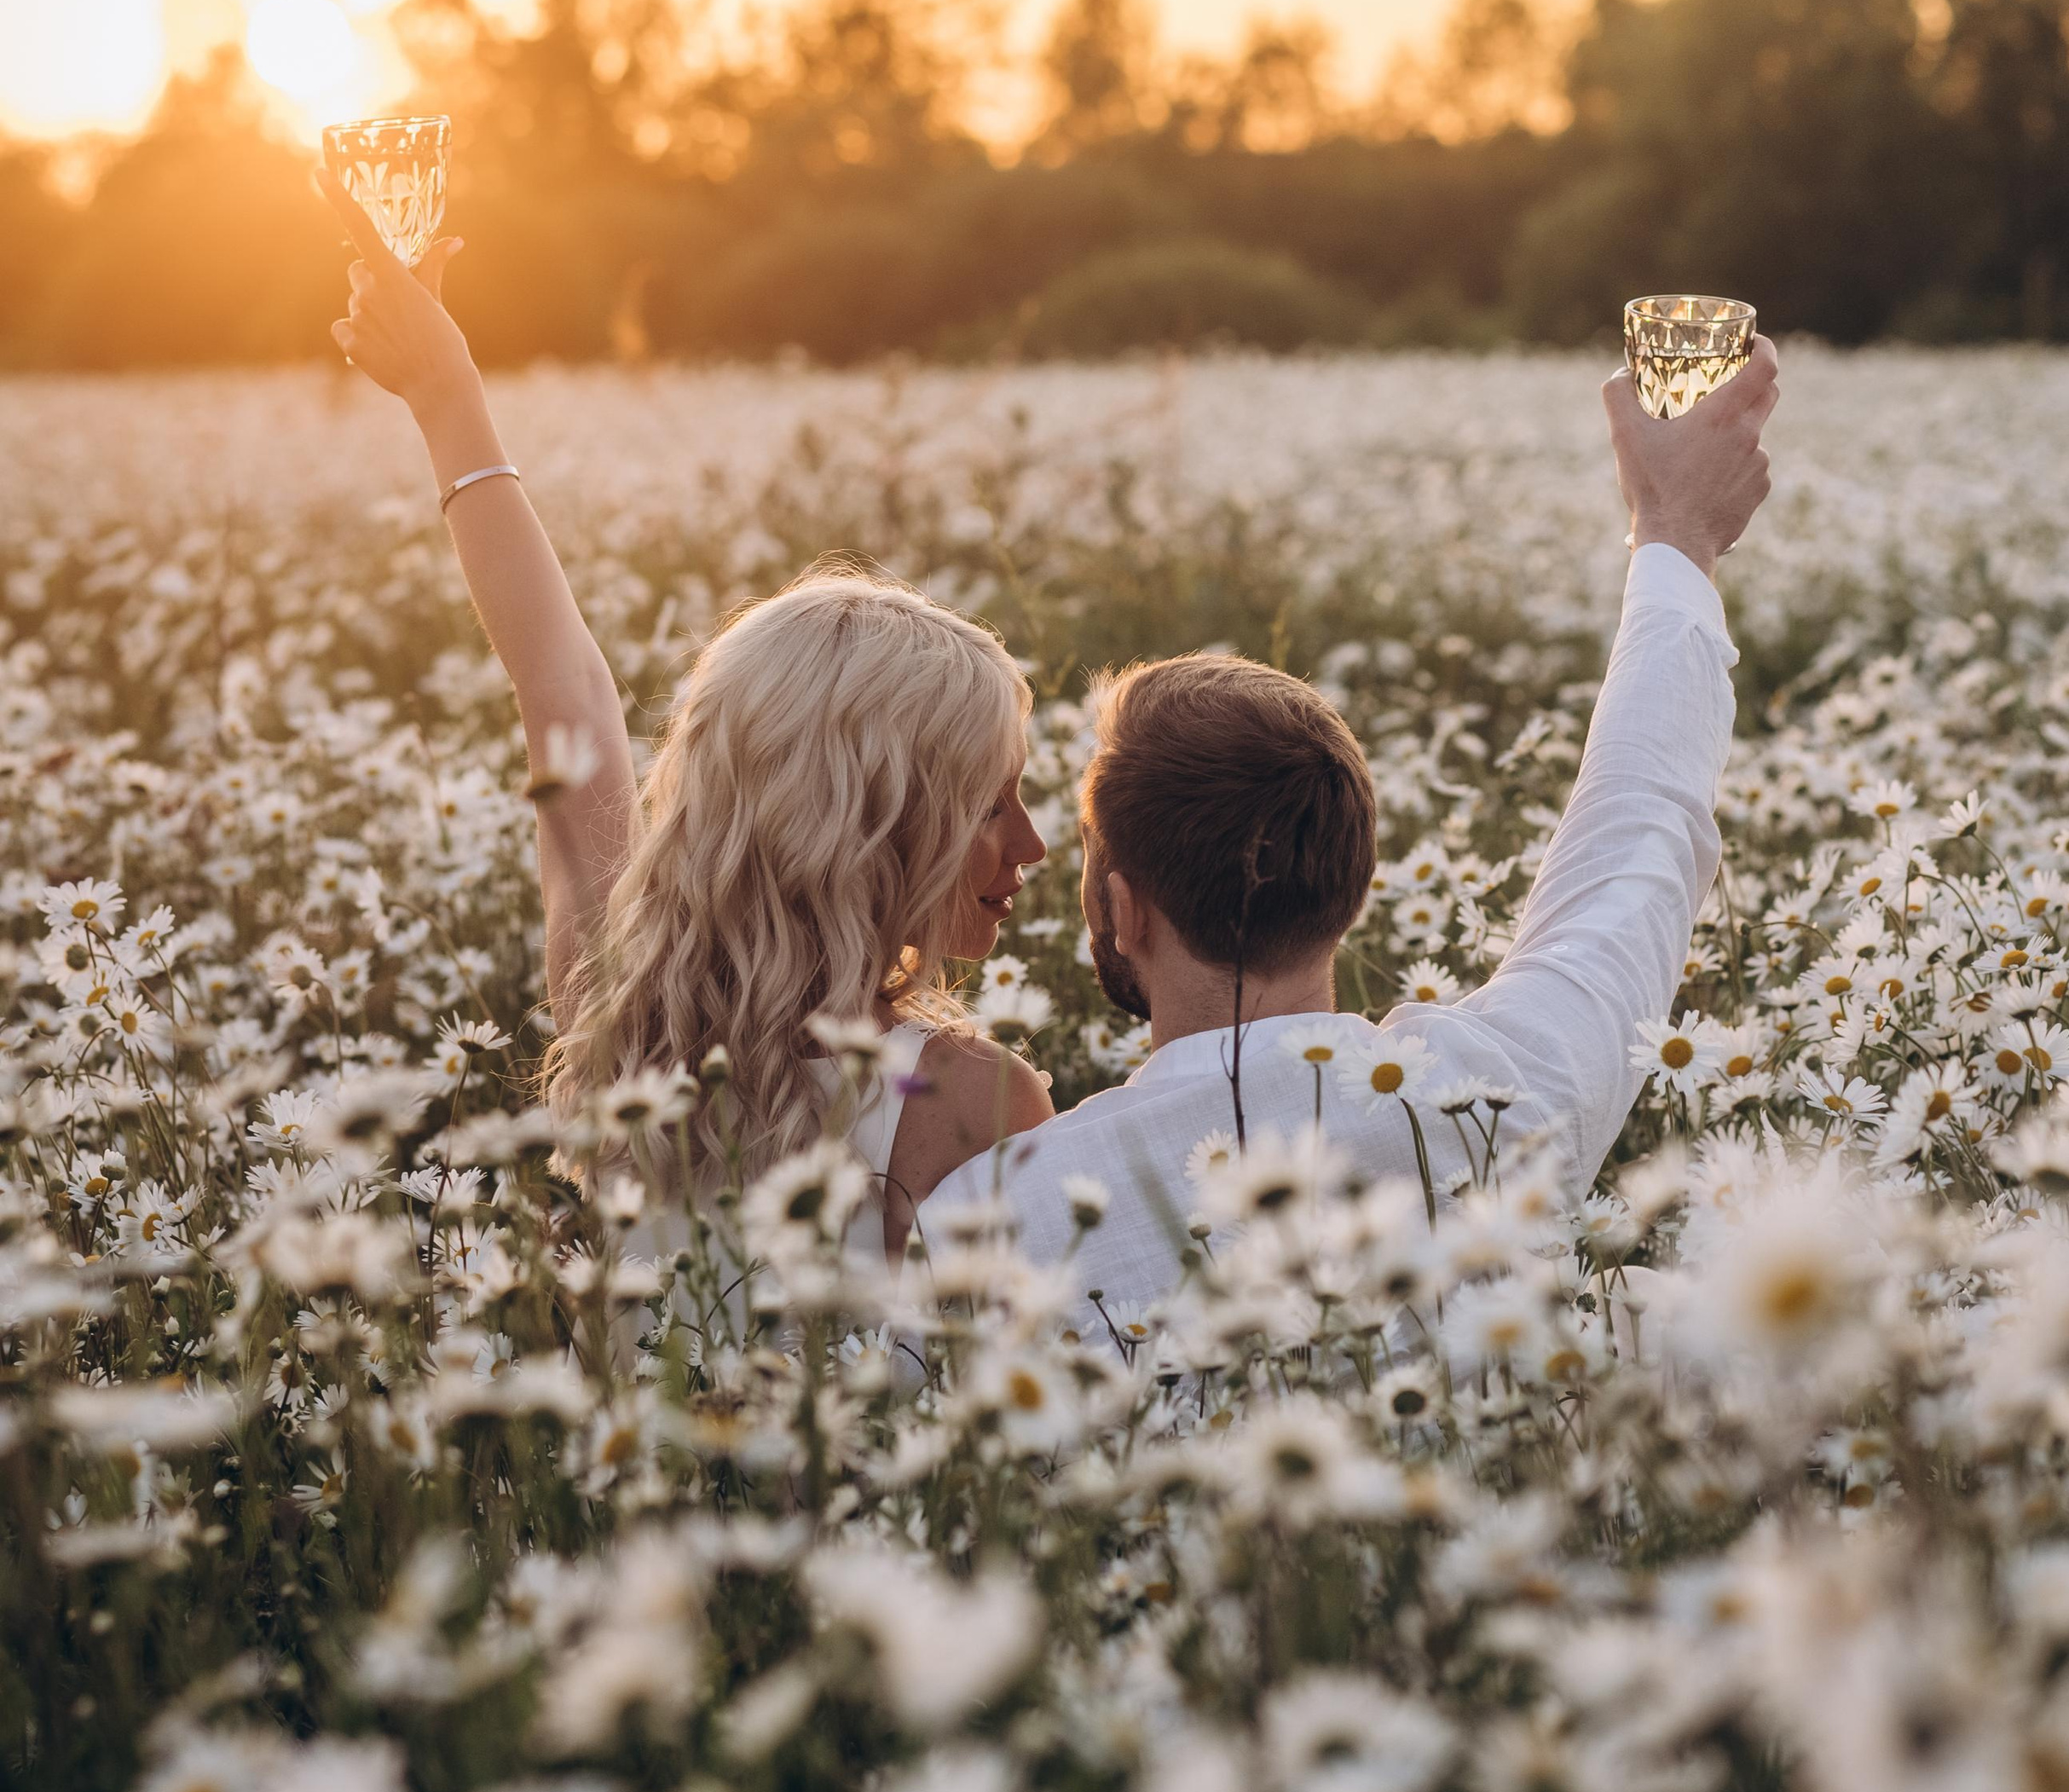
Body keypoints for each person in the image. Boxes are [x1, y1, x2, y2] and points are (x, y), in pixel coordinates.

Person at [917, 341, 1778, 1336]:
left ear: (1123, 908)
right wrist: (1674, 533)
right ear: (1354, 888)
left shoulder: (986, 1229)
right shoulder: (1498, 1102)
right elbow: (1642, 827)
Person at [320, 185, 1055, 1268]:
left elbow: (561, 691)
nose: (1031, 845)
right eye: (988, 803)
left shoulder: (617, 1013)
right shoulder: (967, 1100)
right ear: (872, 822)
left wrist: (445, 399)